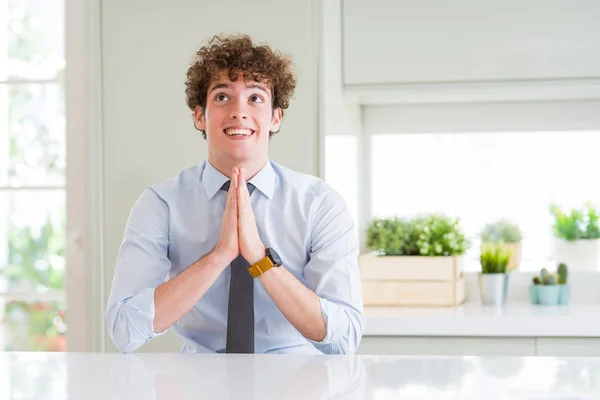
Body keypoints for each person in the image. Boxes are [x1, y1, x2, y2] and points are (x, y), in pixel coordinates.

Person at [105, 34, 365, 354]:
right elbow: (124, 330)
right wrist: (218, 257)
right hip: (197, 380)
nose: (239, 111)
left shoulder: (320, 204)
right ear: (200, 115)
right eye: (222, 97)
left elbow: (345, 339)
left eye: (255, 98)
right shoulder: (161, 204)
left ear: (275, 118)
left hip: (299, 380)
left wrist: (259, 259)